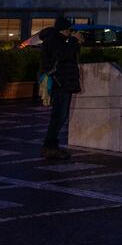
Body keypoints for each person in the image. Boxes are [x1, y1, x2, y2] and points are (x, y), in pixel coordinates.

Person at [39, 16, 82, 159]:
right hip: (60, 82)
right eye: (70, 30)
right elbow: (63, 55)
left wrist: (76, 43)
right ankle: (49, 146)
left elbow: (69, 55)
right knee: (59, 116)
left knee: (60, 116)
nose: (71, 33)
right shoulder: (53, 40)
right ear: (63, 30)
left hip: (64, 82)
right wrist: (74, 41)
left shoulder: (59, 40)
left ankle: (52, 145)